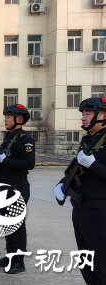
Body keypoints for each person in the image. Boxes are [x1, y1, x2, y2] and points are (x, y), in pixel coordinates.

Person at [54, 97, 106, 284]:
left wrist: (94, 165)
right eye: (83, 114)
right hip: (81, 210)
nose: (83, 118)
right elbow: (74, 169)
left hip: (99, 212)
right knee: (87, 263)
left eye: (88, 113)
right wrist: (62, 184)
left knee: (101, 265)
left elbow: (92, 167)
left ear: (103, 115)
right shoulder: (89, 140)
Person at [0, 104, 35, 274]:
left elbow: (29, 163)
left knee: (17, 224)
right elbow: (1, 156)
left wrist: (5, 161)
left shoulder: (25, 139)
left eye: (8, 117)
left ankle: (19, 261)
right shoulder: (9, 137)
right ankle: (10, 254)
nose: (5, 119)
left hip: (17, 186)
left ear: (19, 119)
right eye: (5, 116)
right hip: (4, 186)